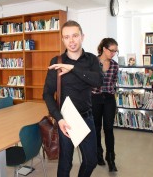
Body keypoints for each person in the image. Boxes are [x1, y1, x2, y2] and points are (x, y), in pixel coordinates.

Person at [43, 20, 103, 177]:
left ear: (82, 36)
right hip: (66, 120)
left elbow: (97, 81)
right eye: (67, 37)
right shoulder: (57, 62)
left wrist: (73, 69)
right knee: (65, 163)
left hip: (86, 117)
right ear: (62, 39)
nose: (71, 41)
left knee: (91, 160)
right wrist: (59, 119)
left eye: (75, 36)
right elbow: (47, 93)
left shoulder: (91, 60)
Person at [91, 38, 119, 172]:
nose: (113, 53)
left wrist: (109, 92)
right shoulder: (92, 63)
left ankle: (111, 158)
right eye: (112, 50)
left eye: (115, 51)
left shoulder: (115, 65)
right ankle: (98, 154)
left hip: (109, 99)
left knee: (108, 129)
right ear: (104, 49)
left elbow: (113, 82)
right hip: (95, 98)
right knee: (96, 128)